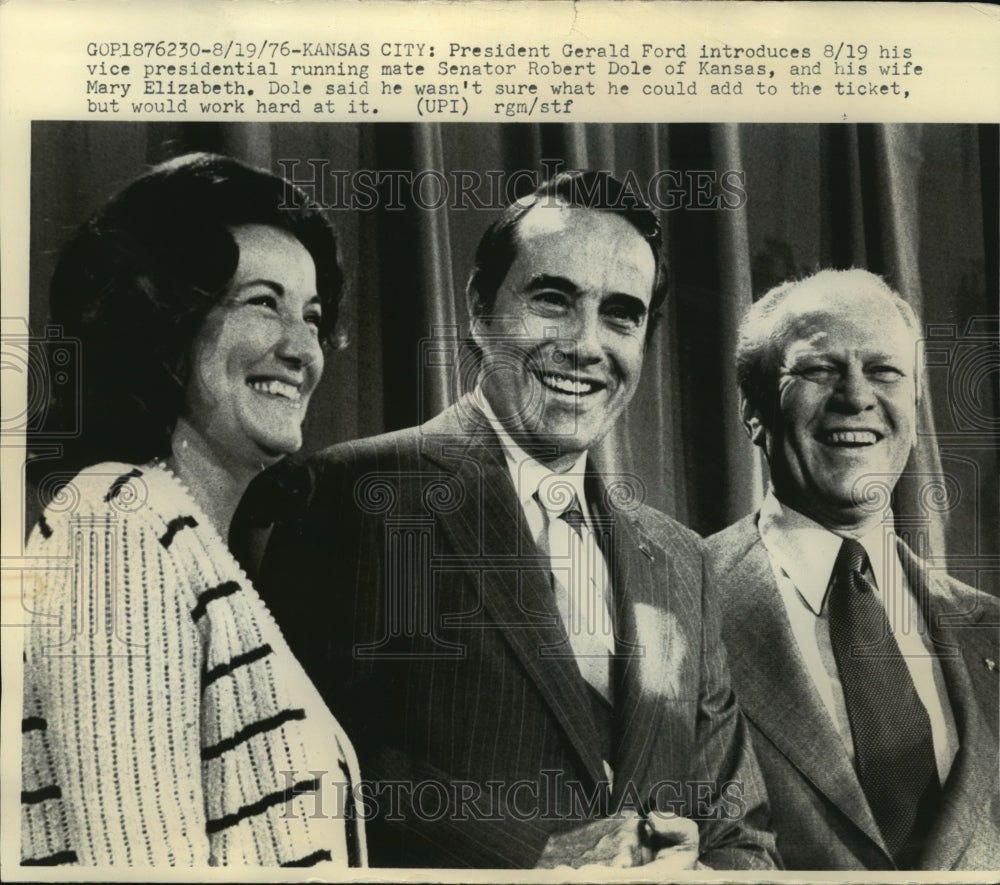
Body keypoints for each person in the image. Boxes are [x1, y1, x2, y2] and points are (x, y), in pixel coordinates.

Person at [254, 171, 778, 870]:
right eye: (554, 300)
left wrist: (704, 870)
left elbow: (742, 838)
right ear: (478, 308)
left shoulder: (682, 560)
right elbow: (287, 767)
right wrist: (538, 854)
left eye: (621, 314)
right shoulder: (349, 494)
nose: (587, 345)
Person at [20, 153, 366, 867]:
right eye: (263, 302)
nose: (303, 348)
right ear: (163, 323)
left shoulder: (183, 544)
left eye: (313, 316)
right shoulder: (113, 525)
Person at [706, 268, 999, 870]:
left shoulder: (990, 626)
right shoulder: (677, 600)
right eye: (819, 369)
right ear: (754, 409)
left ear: (914, 412)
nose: (857, 396)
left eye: (885, 371)